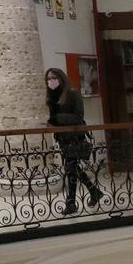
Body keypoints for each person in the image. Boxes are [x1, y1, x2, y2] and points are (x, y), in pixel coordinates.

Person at [45, 68, 101, 214]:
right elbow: (54, 117)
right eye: (48, 78)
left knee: (71, 169)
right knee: (73, 168)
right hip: (62, 138)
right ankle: (93, 191)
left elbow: (78, 116)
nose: (50, 81)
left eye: (53, 77)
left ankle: (71, 203)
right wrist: (51, 123)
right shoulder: (52, 97)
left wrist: (57, 119)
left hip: (75, 136)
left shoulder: (73, 93)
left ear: (61, 78)